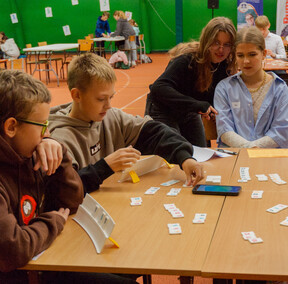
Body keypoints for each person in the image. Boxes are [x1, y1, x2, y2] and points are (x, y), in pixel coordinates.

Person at [49, 53, 204, 194]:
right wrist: (106, 166)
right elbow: (65, 191)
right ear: (77, 95)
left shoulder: (111, 116)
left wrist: (184, 158)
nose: (108, 105)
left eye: (111, 97)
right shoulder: (59, 139)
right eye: (101, 99)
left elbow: (154, 132)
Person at [0, 69, 84, 283]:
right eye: (42, 125)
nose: (46, 133)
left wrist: (58, 150)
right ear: (11, 127)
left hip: (37, 266)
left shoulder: (27, 153)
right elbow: (13, 249)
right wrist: (52, 222)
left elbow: (71, 203)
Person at [146, 17, 236, 147]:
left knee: (201, 151)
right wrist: (198, 105)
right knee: (175, 151)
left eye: (227, 44)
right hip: (162, 109)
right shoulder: (188, 60)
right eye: (216, 43)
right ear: (207, 40)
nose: (221, 50)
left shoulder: (225, 66)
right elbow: (158, 87)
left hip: (188, 111)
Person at [214, 26, 288, 149]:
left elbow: (282, 131)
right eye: (240, 55)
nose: (246, 61)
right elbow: (224, 129)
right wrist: (248, 148)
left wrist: (253, 149)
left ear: (264, 54)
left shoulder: (280, 89)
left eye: (252, 54)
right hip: (235, 157)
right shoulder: (224, 88)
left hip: (270, 157)